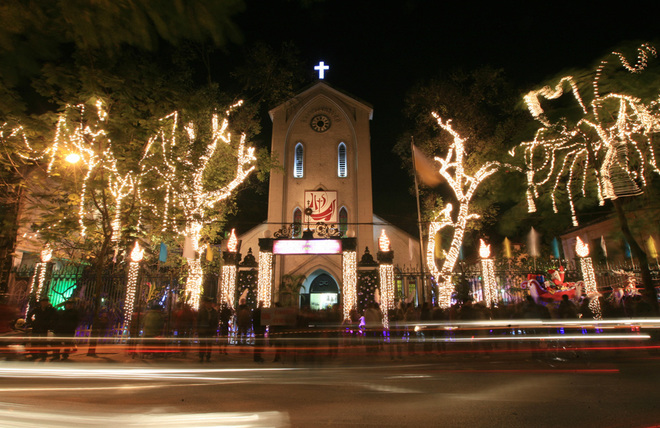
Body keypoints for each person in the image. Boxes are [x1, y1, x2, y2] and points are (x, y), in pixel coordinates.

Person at [197, 297, 219, 362]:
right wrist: (198, 329)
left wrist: (215, 329)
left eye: (210, 303)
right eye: (207, 303)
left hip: (210, 330)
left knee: (209, 344)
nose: (209, 305)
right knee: (202, 344)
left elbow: (216, 322)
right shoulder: (202, 311)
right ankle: (201, 356)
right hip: (203, 330)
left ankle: (208, 356)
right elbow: (198, 320)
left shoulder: (214, 312)